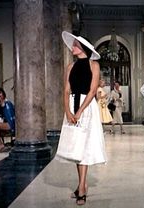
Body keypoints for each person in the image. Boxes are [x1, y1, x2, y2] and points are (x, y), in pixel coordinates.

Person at [57, 31, 107, 206]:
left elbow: (93, 90)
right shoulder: (70, 67)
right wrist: (68, 111)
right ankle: (81, 185)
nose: (72, 47)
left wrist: (79, 112)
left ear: (83, 48)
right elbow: (65, 91)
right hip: (72, 106)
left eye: (75, 45)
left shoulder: (94, 65)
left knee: (84, 147)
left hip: (87, 107)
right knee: (77, 146)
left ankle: (82, 188)